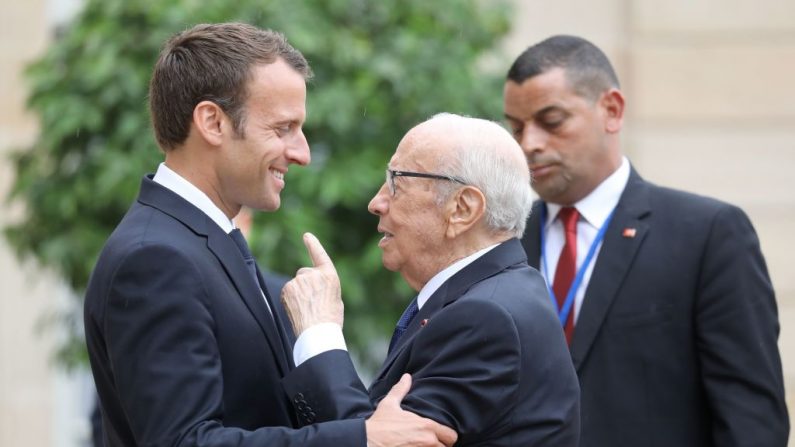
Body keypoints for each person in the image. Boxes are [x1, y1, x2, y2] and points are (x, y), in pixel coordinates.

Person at [83, 22, 456, 447]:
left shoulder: (200, 241)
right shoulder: (154, 257)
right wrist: (361, 437)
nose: (302, 153)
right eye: (282, 129)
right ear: (212, 122)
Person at [502, 34, 789, 446]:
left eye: (551, 121)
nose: (529, 144)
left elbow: (752, 421)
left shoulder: (706, 234)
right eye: (516, 128)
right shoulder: (502, 245)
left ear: (612, 110)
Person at [279, 113, 581, 446]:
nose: (376, 202)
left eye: (396, 182)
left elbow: (376, 440)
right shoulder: (489, 294)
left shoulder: (485, 318)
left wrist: (319, 335)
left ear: (463, 208)